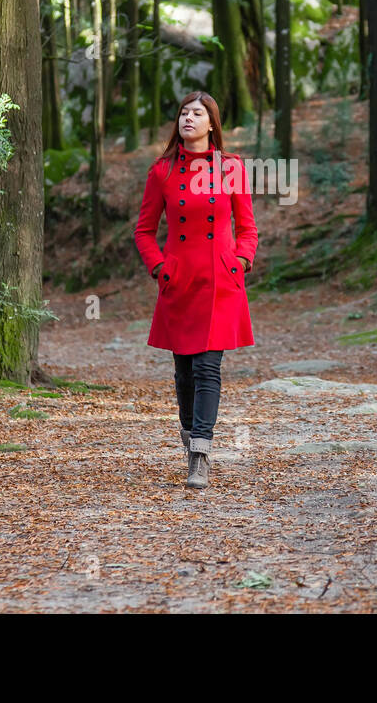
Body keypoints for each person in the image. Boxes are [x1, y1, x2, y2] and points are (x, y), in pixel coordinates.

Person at [133, 91, 258, 489]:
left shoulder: (232, 167)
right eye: (184, 113)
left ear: (211, 123)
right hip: (179, 282)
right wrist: (159, 267)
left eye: (197, 113)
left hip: (221, 282)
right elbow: (145, 231)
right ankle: (190, 439)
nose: (189, 118)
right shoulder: (162, 171)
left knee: (208, 367)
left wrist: (240, 260)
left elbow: (248, 227)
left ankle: (201, 455)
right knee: (184, 372)